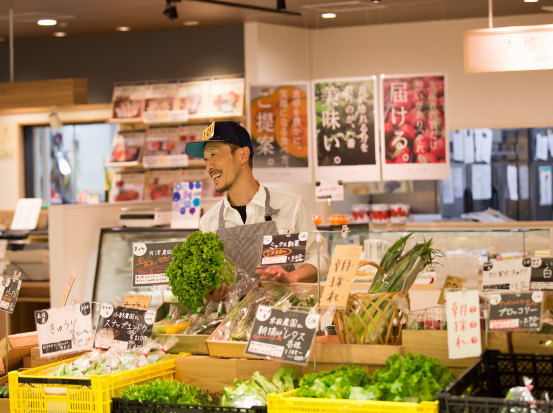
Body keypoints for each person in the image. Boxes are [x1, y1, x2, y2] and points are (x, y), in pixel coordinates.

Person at [185, 121, 331, 301]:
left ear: (243, 154)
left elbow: (320, 258)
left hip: (283, 321)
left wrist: (292, 277)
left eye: (214, 155)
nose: (209, 166)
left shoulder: (291, 205)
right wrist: (210, 295)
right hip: (233, 324)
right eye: (206, 159)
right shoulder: (209, 221)